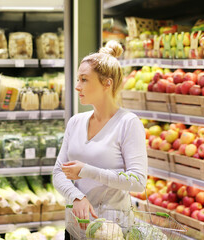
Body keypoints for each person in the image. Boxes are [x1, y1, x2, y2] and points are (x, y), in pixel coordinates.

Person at [52, 40, 148, 239]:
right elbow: (58, 172)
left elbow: (138, 181)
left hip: (112, 232)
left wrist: (87, 171)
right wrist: (76, 197)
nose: (77, 87)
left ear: (107, 83)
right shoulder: (75, 122)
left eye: (84, 80)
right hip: (75, 230)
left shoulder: (128, 123)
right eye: (78, 80)